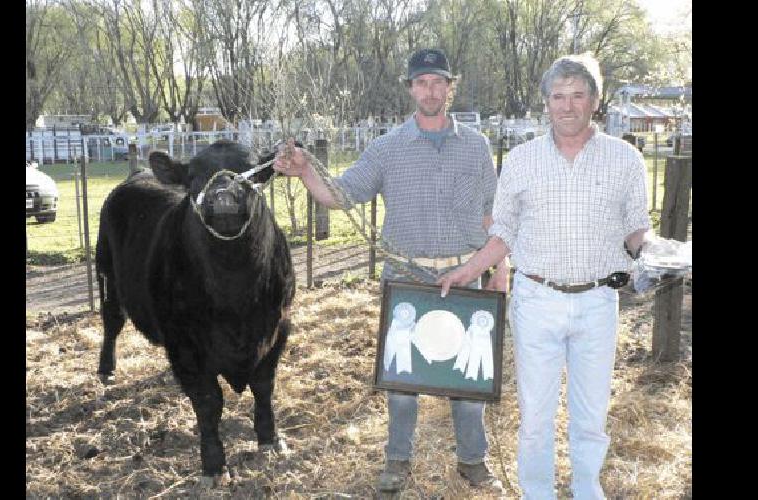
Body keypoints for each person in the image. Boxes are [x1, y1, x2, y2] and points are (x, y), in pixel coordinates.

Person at [273, 47, 508, 493]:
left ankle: (472, 461)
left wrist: (501, 268)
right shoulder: (387, 149)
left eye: (439, 81)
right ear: (410, 89)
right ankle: (398, 460)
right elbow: (341, 195)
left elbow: (491, 214)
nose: (430, 90)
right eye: (422, 82)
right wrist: (305, 172)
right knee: (402, 381)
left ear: (450, 88)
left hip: (466, 273)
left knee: (467, 378)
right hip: (407, 277)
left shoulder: (476, 147)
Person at [437, 53, 652, 499]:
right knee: (535, 416)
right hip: (537, 301)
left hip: (597, 301)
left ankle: (587, 490)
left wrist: (653, 254)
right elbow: (503, 234)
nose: (567, 106)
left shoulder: (625, 159)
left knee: (590, 415)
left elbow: (635, 226)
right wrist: (467, 272)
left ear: (595, 100)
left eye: (578, 96)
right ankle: (538, 493)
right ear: (546, 102)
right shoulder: (521, 160)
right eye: (558, 97)